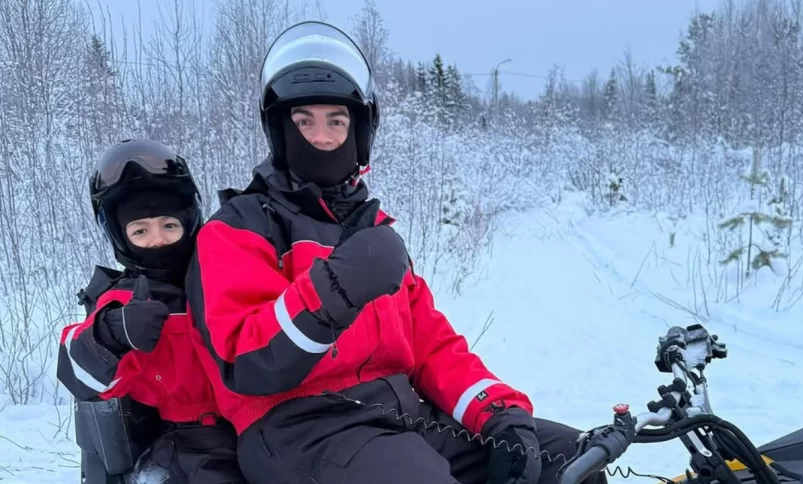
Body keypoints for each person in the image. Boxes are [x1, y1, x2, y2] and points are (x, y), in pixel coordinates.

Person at [185, 20, 609, 484]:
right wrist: (333, 290)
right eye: (304, 121)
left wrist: (498, 412)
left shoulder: (372, 232)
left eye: (337, 121)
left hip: (399, 417)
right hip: (299, 430)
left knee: (574, 459)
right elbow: (244, 359)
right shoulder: (239, 228)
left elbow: (432, 345)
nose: (323, 137)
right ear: (280, 130)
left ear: (360, 130)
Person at [56, 139, 246, 484]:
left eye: (169, 225)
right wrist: (111, 333)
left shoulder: (221, 271)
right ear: (120, 236)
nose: (158, 239)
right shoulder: (121, 298)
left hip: (252, 421)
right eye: (140, 231)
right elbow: (77, 372)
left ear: (189, 221)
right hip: (184, 437)